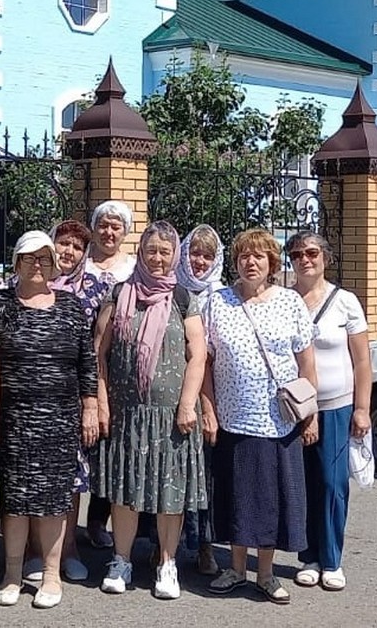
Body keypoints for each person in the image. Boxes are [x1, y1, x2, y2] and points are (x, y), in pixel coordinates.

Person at [91, 221, 207, 600]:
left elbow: (197, 354)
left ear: (175, 256)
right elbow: (100, 355)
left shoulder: (183, 299)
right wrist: (102, 402)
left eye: (165, 251)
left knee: (169, 494)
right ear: (140, 253)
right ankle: (121, 560)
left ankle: (167, 564)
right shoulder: (120, 293)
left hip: (172, 416)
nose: (158, 258)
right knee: (125, 490)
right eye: (151, 250)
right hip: (128, 415)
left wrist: (189, 403)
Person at [0, 231, 98, 609]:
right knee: (15, 502)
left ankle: (51, 575)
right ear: (15, 264)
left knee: (52, 500)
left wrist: (91, 406)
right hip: (12, 419)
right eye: (30, 259)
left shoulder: (70, 306)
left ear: (53, 266)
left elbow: (86, 362)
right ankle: (12, 574)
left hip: (60, 419)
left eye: (44, 260)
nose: (37, 265)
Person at [202, 228, 317, 605]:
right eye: (243, 256)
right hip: (233, 418)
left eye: (258, 257)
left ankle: (265, 574)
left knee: (271, 500)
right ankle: (235, 568)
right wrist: (208, 407)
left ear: (271, 264)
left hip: (279, 421)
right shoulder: (217, 302)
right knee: (237, 495)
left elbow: (306, 361)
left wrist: (310, 415)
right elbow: (204, 360)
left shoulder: (289, 302)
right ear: (234, 262)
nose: (250, 262)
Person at [287, 231, 371, 593]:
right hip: (294, 408)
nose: (305, 260)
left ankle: (332, 559)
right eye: (296, 254)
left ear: (326, 258)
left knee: (332, 483)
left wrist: (363, 408)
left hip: (337, 405)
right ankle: (309, 557)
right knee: (302, 483)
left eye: (311, 253)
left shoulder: (346, 301)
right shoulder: (285, 301)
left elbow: (363, 360)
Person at [175, 224, 227, 576]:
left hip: (209, 392)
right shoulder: (170, 289)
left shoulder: (220, 296)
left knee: (205, 475)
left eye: (208, 256)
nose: (200, 261)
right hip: (169, 391)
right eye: (195, 253)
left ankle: (205, 547)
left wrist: (208, 405)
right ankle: (163, 547)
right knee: (171, 470)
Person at [84, 201, 137, 548]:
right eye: (103, 225)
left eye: (116, 226)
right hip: (83, 360)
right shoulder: (80, 265)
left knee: (112, 443)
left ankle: (101, 519)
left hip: (121, 368)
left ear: (125, 232)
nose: (109, 232)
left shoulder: (133, 268)